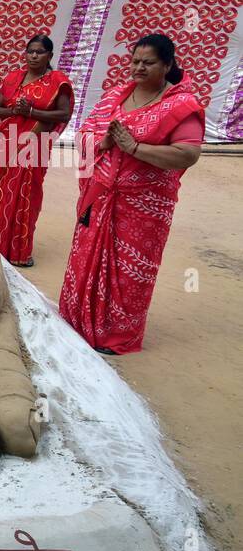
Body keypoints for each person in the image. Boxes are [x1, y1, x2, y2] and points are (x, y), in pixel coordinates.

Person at [58, 34, 203, 355]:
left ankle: (117, 336)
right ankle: (77, 319)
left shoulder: (180, 106)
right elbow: (86, 134)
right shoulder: (115, 96)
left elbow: (187, 153)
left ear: (167, 65)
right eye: (135, 61)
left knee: (128, 271)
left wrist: (135, 148)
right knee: (85, 256)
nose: (138, 68)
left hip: (144, 205)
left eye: (148, 63)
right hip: (100, 195)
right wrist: (104, 143)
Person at [0, 35, 73, 268]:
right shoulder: (14, 78)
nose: (34, 56)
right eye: (30, 51)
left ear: (50, 56)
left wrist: (32, 113)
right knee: (3, 191)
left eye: (40, 52)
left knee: (26, 194)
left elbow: (64, 114)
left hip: (35, 144)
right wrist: (15, 110)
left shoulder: (57, 81)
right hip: (8, 142)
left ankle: (19, 251)